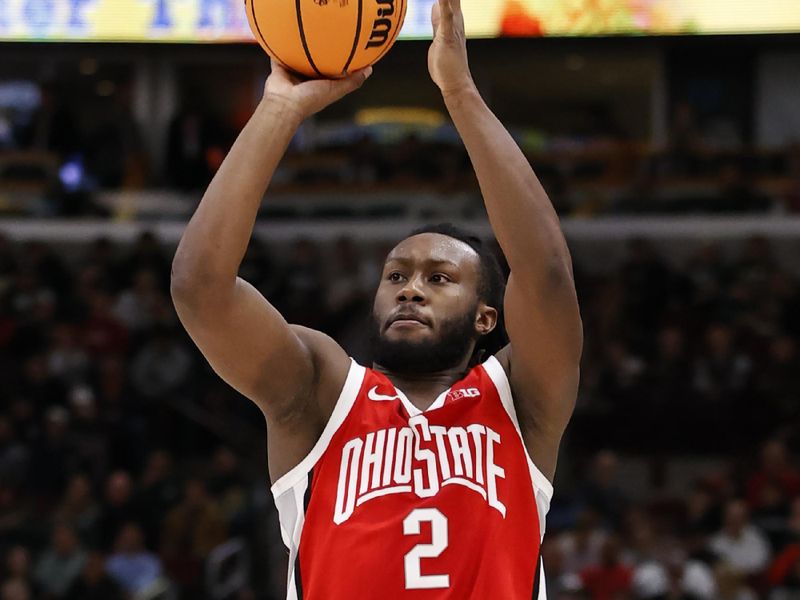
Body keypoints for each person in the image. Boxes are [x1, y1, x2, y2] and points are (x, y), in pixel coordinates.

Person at [171, 0, 583, 597]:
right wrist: (280, 109)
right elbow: (199, 287)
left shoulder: (521, 404)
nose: (410, 288)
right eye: (396, 277)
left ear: (487, 316)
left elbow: (545, 274)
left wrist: (461, 91)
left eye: (439, 279)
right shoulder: (320, 393)